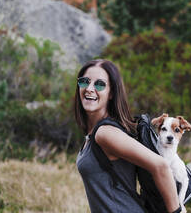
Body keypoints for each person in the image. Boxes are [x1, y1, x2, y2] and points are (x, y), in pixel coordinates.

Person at [75, 59, 181, 213]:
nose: (90, 89)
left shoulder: (105, 133)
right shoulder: (94, 133)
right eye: (85, 82)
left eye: (99, 84)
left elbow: (160, 166)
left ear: (111, 93)